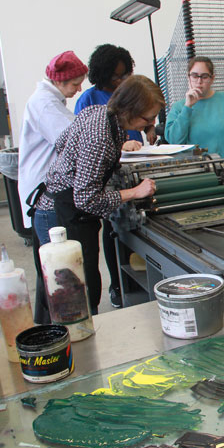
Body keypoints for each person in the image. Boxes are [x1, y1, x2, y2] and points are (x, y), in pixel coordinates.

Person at [33, 75, 163, 315]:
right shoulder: (100, 136)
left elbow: (63, 143)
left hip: (58, 206)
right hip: (61, 215)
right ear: (130, 110)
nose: (151, 122)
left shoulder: (99, 112)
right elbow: (85, 198)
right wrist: (134, 191)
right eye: (148, 118)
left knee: (64, 293)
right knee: (70, 299)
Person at [75, 44, 154, 309]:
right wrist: (119, 149)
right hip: (104, 187)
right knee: (109, 237)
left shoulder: (125, 111)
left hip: (134, 172)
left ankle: (138, 283)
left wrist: (149, 130)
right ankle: (119, 286)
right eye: (116, 76)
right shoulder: (92, 106)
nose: (120, 81)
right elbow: (87, 192)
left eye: (125, 75)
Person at [18, 50, 87, 324]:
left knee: (48, 268)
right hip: (47, 198)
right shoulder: (45, 104)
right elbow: (74, 140)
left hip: (45, 195)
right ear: (59, 81)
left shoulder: (51, 100)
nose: (79, 88)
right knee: (58, 272)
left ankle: (48, 323)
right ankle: (62, 328)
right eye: (74, 83)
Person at [165, 56, 224, 190]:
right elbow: (175, 141)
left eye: (204, 76)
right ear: (188, 77)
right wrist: (187, 107)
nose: (199, 81)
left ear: (212, 78)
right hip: (199, 174)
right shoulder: (179, 108)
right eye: (194, 76)